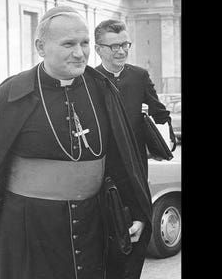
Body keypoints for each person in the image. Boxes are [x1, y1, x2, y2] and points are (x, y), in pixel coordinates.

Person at [0, 6, 152, 279]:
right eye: (68, 44)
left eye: (85, 43)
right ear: (41, 46)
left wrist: (135, 211)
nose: (79, 52)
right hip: (28, 231)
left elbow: (122, 160)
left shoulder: (102, 89)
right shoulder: (11, 95)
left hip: (92, 228)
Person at [94, 19, 172, 279]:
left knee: (136, 238)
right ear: (98, 49)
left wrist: (160, 133)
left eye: (125, 44)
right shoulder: (88, 80)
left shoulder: (139, 76)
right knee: (107, 247)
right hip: (101, 173)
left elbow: (161, 115)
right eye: (114, 46)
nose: (121, 51)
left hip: (135, 169)